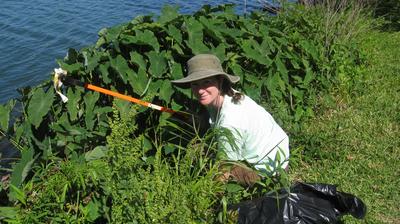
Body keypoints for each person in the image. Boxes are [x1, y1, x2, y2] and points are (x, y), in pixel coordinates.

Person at [171, 54, 289, 186]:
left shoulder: (230, 121)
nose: (200, 90)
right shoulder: (229, 95)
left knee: (199, 152)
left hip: (269, 173)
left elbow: (224, 169)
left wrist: (206, 197)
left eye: (206, 82)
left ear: (220, 81)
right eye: (195, 84)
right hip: (277, 154)